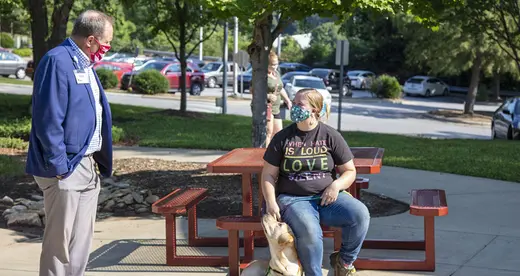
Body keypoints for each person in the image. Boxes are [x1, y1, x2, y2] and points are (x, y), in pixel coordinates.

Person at [25, 10, 114, 276]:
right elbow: (47, 118)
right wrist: (60, 166)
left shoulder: (83, 63)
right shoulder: (57, 61)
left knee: (81, 243)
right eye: (106, 44)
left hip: (87, 166)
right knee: (59, 245)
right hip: (66, 169)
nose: (107, 49)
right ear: (91, 40)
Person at [261, 88, 370, 276]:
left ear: (314, 110)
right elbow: (268, 175)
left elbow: (350, 171)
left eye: (299, 104)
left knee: (360, 214)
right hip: (294, 200)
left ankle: (344, 262)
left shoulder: (330, 135)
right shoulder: (283, 138)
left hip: (327, 199)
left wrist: (336, 185)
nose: (294, 107)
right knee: (310, 232)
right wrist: (271, 202)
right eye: (293, 103)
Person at [266, 51, 292, 146]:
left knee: (278, 133)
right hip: (267, 107)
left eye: (276, 64)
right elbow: (254, 91)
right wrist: (267, 96)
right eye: (272, 64)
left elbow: (280, 88)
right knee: (268, 133)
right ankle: (263, 154)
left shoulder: (276, 73)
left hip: (276, 108)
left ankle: (274, 156)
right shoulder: (262, 75)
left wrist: (287, 100)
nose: (275, 66)